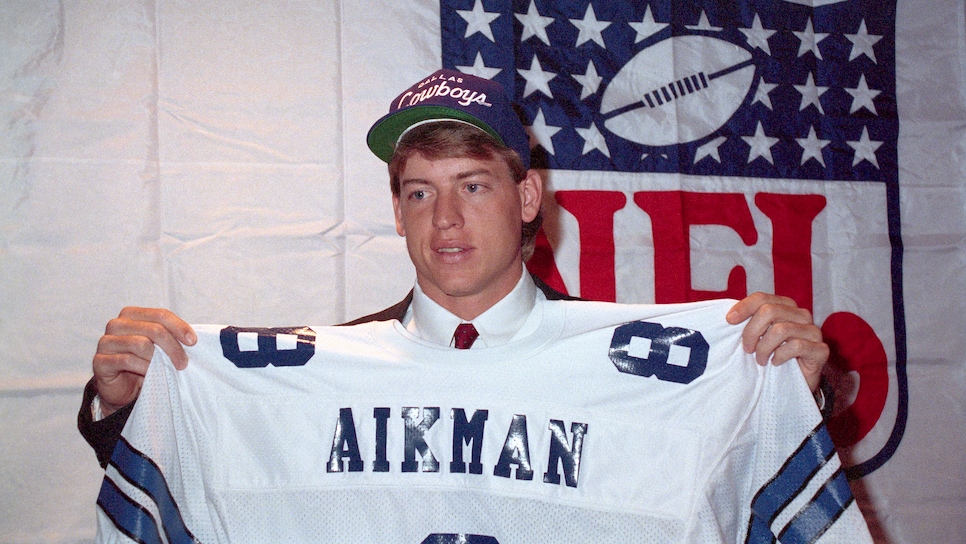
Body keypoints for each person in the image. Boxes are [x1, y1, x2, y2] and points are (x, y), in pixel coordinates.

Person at [78, 69, 832, 469]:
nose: (444, 220)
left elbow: (736, 479)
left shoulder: (633, 364)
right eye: (418, 192)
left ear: (528, 196)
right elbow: (207, 472)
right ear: (398, 212)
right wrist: (128, 404)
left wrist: (784, 391)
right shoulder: (326, 367)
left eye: (472, 185)